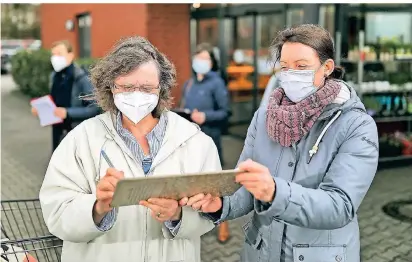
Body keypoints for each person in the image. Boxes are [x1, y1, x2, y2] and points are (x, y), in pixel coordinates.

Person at [185, 24, 379, 262]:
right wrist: (221, 204)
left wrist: (275, 192)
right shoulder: (265, 116)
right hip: (261, 252)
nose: (291, 74)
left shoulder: (355, 125)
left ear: (326, 68)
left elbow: (340, 206)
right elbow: (246, 185)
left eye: (301, 67)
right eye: (285, 67)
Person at [39, 36, 220, 262]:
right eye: (126, 87)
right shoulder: (81, 140)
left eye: (146, 88)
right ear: (110, 87)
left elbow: (209, 214)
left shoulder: (195, 142)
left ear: (161, 88)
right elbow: (55, 211)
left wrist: (179, 215)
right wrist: (97, 207)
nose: (136, 95)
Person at [179, 43, 230, 243]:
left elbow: (225, 113)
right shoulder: (189, 83)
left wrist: (205, 117)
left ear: (212, 62)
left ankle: (223, 224)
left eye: (205, 58)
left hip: (210, 138)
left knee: (216, 184)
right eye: (198, 57)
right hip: (189, 139)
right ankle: (195, 220)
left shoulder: (216, 83)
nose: (200, 62)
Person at [31, 40, 99, 151]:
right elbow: (55, 102)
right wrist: (41, 109)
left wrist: (67, 113)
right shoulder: (54, 76)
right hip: (57, 131)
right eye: (53, 55)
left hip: (76, 132)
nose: (55, 58)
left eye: (59, 54)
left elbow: (94, 108)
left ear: (70, 56)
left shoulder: (82, 78)